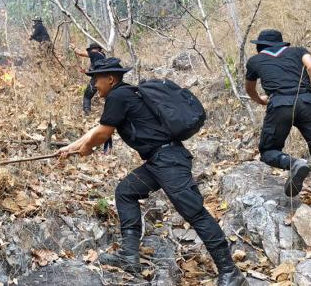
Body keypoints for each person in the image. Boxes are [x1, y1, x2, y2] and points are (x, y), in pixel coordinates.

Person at [58, 58, 248, 286]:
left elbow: (102, 134)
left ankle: (230, 271)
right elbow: (97, 129)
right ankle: (129, 256)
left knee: (194, 212)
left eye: (96, 79)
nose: (94, 85)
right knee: (125, 192)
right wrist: (70, 148)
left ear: (110, 79)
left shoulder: (118, 96)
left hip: (168, 161)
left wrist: (87, 148)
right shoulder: (125, 95)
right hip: (159, 161)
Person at [245, 29, 311, 222]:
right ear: (281, 44)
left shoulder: (254, 61)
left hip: (279, 106)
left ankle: (293, 163)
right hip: (308, 103)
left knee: (268, 151)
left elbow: (249, 88)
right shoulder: (299, 51)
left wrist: (261, 100)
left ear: (260, 46)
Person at [71, 42, 105, 114]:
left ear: (96, 49)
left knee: (87, 96)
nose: (90, 51)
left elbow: (79, 53)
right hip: (106, 79)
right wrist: (86, 71)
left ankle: (87, 112)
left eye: (91, 49)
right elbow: (96, 71)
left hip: (97, 78)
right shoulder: (103, 56)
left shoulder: (94, 53)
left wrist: (74, 47)